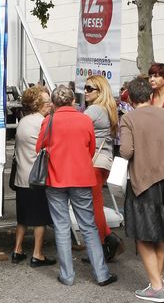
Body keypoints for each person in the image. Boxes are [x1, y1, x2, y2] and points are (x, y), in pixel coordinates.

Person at [37, 86, 116, 287]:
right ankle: (101, 274)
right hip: (82, 178)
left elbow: (39, 147)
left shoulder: (49, 120)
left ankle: (67, 275)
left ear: (53, 104)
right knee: (88, 226)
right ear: (73, 101)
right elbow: (90, 149)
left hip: (55, 179)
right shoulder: (84, 120)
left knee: (62, 226)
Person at [119, 77, 164, 302]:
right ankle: (158, 280)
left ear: (131, 98)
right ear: (150, 95)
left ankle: (156, 287)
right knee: (161, 232)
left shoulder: (128, 118)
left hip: (144, 180)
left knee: (143, 234)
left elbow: (126, 151)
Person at [12, 86, 56, 266]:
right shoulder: (42, 122)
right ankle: (37, 254)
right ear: (37, 104)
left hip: (21, 176)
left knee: (22, 218)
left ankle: (17, 250)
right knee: (40, 218)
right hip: (36, 178)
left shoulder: (23, 121)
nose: (50, 105)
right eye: (46, 102)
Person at [82, 74, 124, 260]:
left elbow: (76, 128)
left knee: (93, 206)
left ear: (100, 90)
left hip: (94, 162)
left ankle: (105, 241)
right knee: (94, 204)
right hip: (103, 161)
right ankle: (103, 242)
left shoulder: (95, 110)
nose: (85, 91)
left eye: (90, 88)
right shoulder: (107, 108)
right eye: (85, 87)